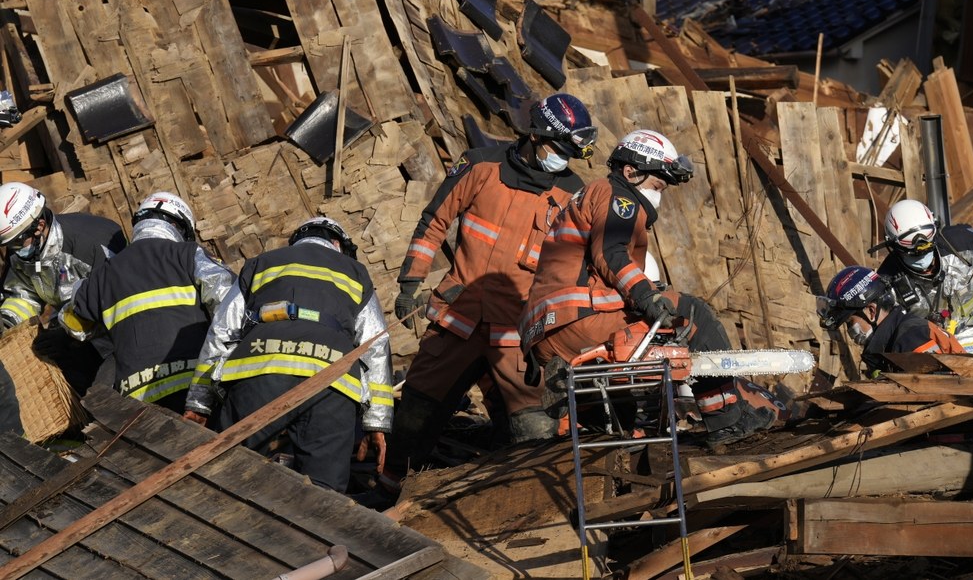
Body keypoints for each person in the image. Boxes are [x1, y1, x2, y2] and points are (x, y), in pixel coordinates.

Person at [520, 129, 786, 447]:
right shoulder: (617, 194)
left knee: (622, 402)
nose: (658, 194)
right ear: (632, 172)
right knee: (692, 314)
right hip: (577, 319)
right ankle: (727, 419)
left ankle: (605, 431)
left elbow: (592, 267)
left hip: (547, 334)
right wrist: (646, 294)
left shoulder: (586, 197)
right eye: (657, 185)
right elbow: (611, 253)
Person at [385, 93, 595, 476]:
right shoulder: (480, 166)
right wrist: (410, 281)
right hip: (458, 319)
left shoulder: (571, 195)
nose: (561, 159)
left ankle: (513, 502)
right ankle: (391, 489)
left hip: (515, 335)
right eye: (557, 148)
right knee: (416, 412)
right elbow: (433, 222)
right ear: (535, 135)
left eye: (569, 152)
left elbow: (571, 269)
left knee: (534, 431)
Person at [183, 217, 393, 492]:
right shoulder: (355, 273)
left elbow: (221, 331)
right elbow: (375, 346)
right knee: (324, 491)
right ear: (337, 244)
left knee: (234, 476)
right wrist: (376, 422)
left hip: (257, 370)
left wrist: (199, 403)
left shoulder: (261, 263)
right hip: (332, 382)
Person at [58, 192, 236, 414]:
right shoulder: (187, 254)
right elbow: (230, 301)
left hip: (137, 403)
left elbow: (73, 326)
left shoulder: (102, 275)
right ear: (179, 226)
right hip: (194, 390)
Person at [0, 182, 126, 394]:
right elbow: (21, 296)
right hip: (71, 331)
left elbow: (109, 302)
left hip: (118, 336)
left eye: (16, 243)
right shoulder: (24, 252)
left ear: (39, 226)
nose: (13, 251)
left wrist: (66, 335)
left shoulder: (91, 244)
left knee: (105, 397)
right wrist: (6, 322)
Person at [875, 199, 973, 352]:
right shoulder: (887, 280)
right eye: (909, 242)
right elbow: (884, 329)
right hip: (928, 344)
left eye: (927, 235)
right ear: (893, 245)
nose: (920, 246)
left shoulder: (962, 243)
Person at [818, 265, 965, 375]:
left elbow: (937, 396)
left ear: (871, 311)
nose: (850, 331)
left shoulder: (910, 338)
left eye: (850, 322)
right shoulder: (894, 338)